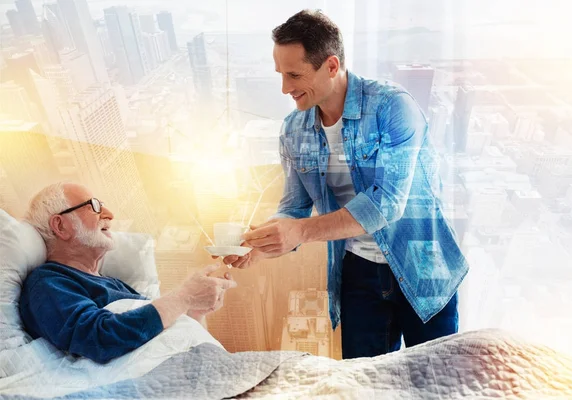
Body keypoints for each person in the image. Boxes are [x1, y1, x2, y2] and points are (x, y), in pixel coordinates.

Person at [222, 10, 469, 359]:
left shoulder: (393, 107)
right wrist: (261, 247)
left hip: (423, 267)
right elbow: (293, 209)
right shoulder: (293, 130)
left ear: (332, 66)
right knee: (364, 386)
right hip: (358, 275)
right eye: (281, 74)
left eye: (294, 75)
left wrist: (301, 232)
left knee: (433, 382)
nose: (285, 88)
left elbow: (387, 203)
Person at [19, 182, 237, 364]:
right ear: (61, 226)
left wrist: (195, 310)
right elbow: (97, 338)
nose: (110, 215)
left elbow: (160, 333)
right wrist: (184, 297)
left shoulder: (115, 284)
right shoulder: (48, 281)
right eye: (94, 206)